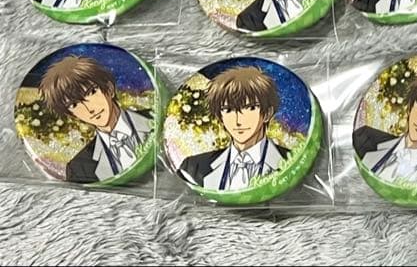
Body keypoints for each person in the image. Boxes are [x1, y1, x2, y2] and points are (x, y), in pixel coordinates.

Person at [39, 55, 153, 183]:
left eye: (91, 92)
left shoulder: (155, 119)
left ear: (109, 88)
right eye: (74, 105)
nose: (90, 109)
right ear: (72, 115)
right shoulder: (79, 167)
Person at [178, 66, 291, 190]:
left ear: (267, 113)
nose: (238, 121)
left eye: (250, 108)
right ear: (220, 116)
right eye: (228, 110)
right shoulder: (193, 167)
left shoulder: (290, 161)